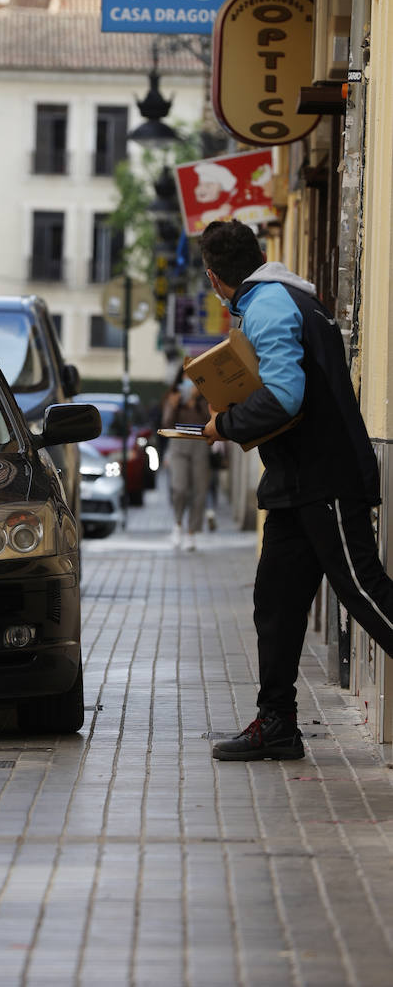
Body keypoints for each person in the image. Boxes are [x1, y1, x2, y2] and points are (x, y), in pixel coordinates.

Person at [199, 218, 392, 763]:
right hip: (295, 483)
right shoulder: (288, 298)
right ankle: (278, 725)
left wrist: (226, 425)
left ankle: (278, 722)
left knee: (363, 589)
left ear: (215, 278)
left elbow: (285, 397)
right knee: (277, 604)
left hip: (323, 476)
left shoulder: (267, 306)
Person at [160, 374, 211, 551]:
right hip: (178, 446)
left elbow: (211, 420)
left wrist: (197, 402)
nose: (189, 383)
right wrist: (174, 406)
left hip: (200, 445)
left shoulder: (206, 398)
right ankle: (177, 524)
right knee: (179, 487)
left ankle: (192, 532)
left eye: (193, 378)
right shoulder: (173, 396)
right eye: (185, 378)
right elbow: (166, 423)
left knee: (199, 490)